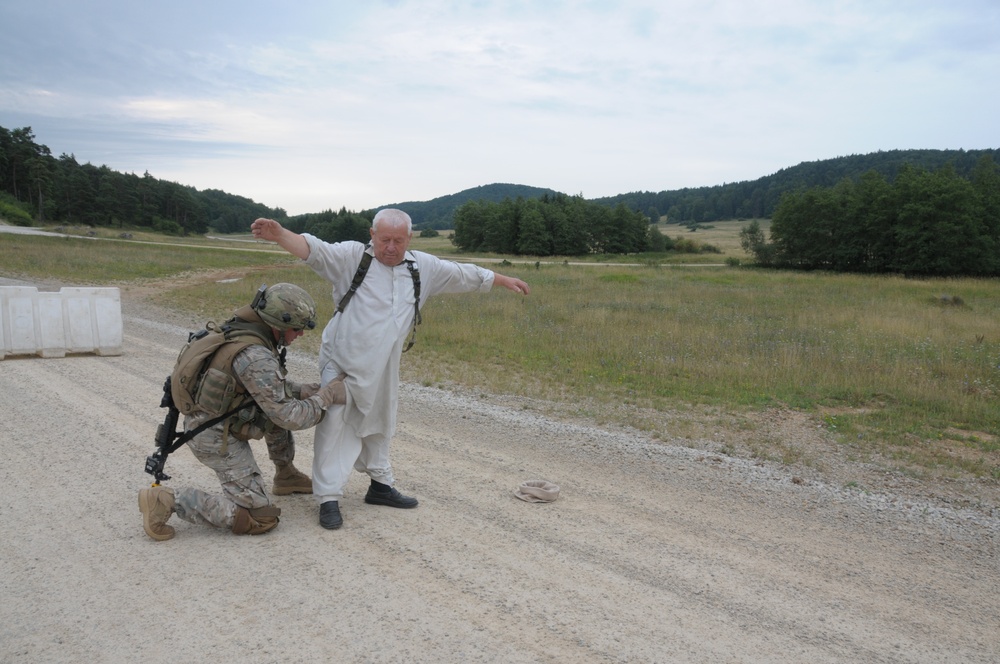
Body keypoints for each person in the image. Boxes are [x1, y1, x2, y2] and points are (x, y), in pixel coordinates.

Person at [250, 209, 530, 530]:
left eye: (398, 240)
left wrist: (502, 279)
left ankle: (380, 486)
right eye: (385, 239)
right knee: (336, 427)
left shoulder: (421, 266)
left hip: (384, 365)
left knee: (382, 420)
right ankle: (328, 497)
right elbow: (315, 249)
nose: (391, 247)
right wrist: (280, 234)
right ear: (372, 235)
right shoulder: (352, 259)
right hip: (343, 364)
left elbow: (461, 273)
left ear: (409, 239)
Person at [138, 283, 347, 541]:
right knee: (261, 517)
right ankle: (169, 500)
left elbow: (266, 389)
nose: (301, 334)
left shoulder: (245, 330)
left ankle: (286, 474)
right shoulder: (254, 355)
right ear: (277, 324)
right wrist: (325, 397)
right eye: (296, 328)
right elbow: (290, 416)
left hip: (219, 419)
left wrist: (305, 390)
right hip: (215, 438)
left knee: (276, 405)